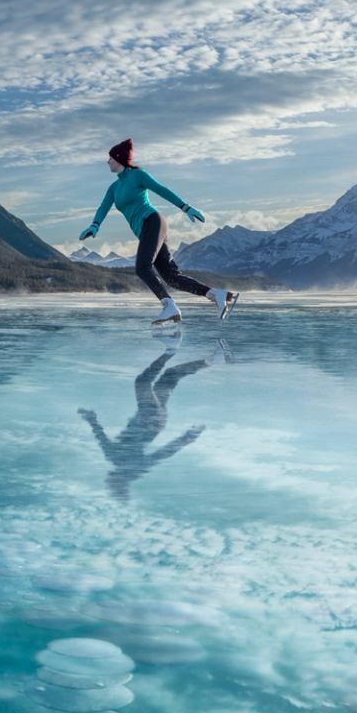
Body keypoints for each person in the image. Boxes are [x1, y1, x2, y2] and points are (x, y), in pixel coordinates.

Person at [80, 138, 237, 323]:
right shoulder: (114, 188)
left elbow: (162, 190)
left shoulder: (137, 175)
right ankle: (215, 295)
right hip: (146, 230)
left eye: (110, 158)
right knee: (171, 277)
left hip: (153, 222)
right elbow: (103, 207)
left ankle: (169, 307)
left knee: (142, 267)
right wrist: (94, 225)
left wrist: (186, 208)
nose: (107, 162)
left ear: (119, 158)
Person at [79, 344, 217, 500]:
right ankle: (170, 351)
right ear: (121, 483)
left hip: (152, 421)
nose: (109, 479)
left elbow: (100, 436)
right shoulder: (135, 468)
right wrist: (188, 437)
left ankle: (210, 361)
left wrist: (91, 418)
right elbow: (163, 453)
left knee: (170, 376)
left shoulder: (113, 457)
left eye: (110, 482)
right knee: (142, 383)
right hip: (149, 421)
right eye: (113, 483)